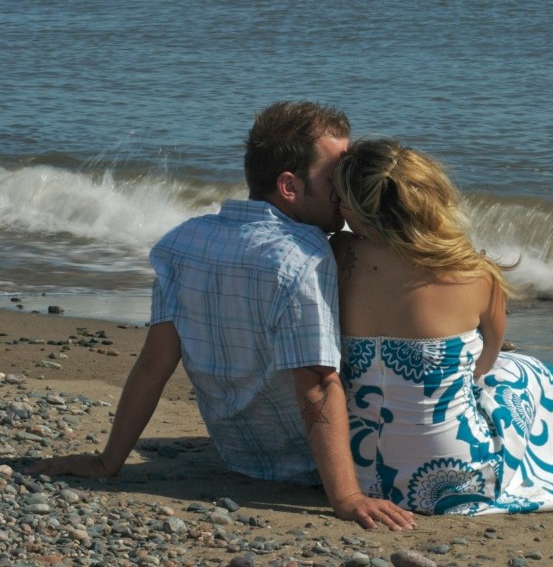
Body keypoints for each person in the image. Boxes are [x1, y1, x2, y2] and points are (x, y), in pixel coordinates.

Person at [26, 102, 416, 531]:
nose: (344, 189)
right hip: (310, 465)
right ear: (289, 186)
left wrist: (107, 461)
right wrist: (346, 497)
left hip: (240, 454)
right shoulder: (304, 257)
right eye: (334, 177)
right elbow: (318, 386)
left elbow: (154, 365)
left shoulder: (183, 242)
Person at [328, 138, 553, 516]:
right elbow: (484, 365)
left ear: (360, 211)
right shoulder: (476, 274)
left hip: (360, 473)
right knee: (530, 371)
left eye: (342, 200)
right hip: (457, 479)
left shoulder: (335, 256)